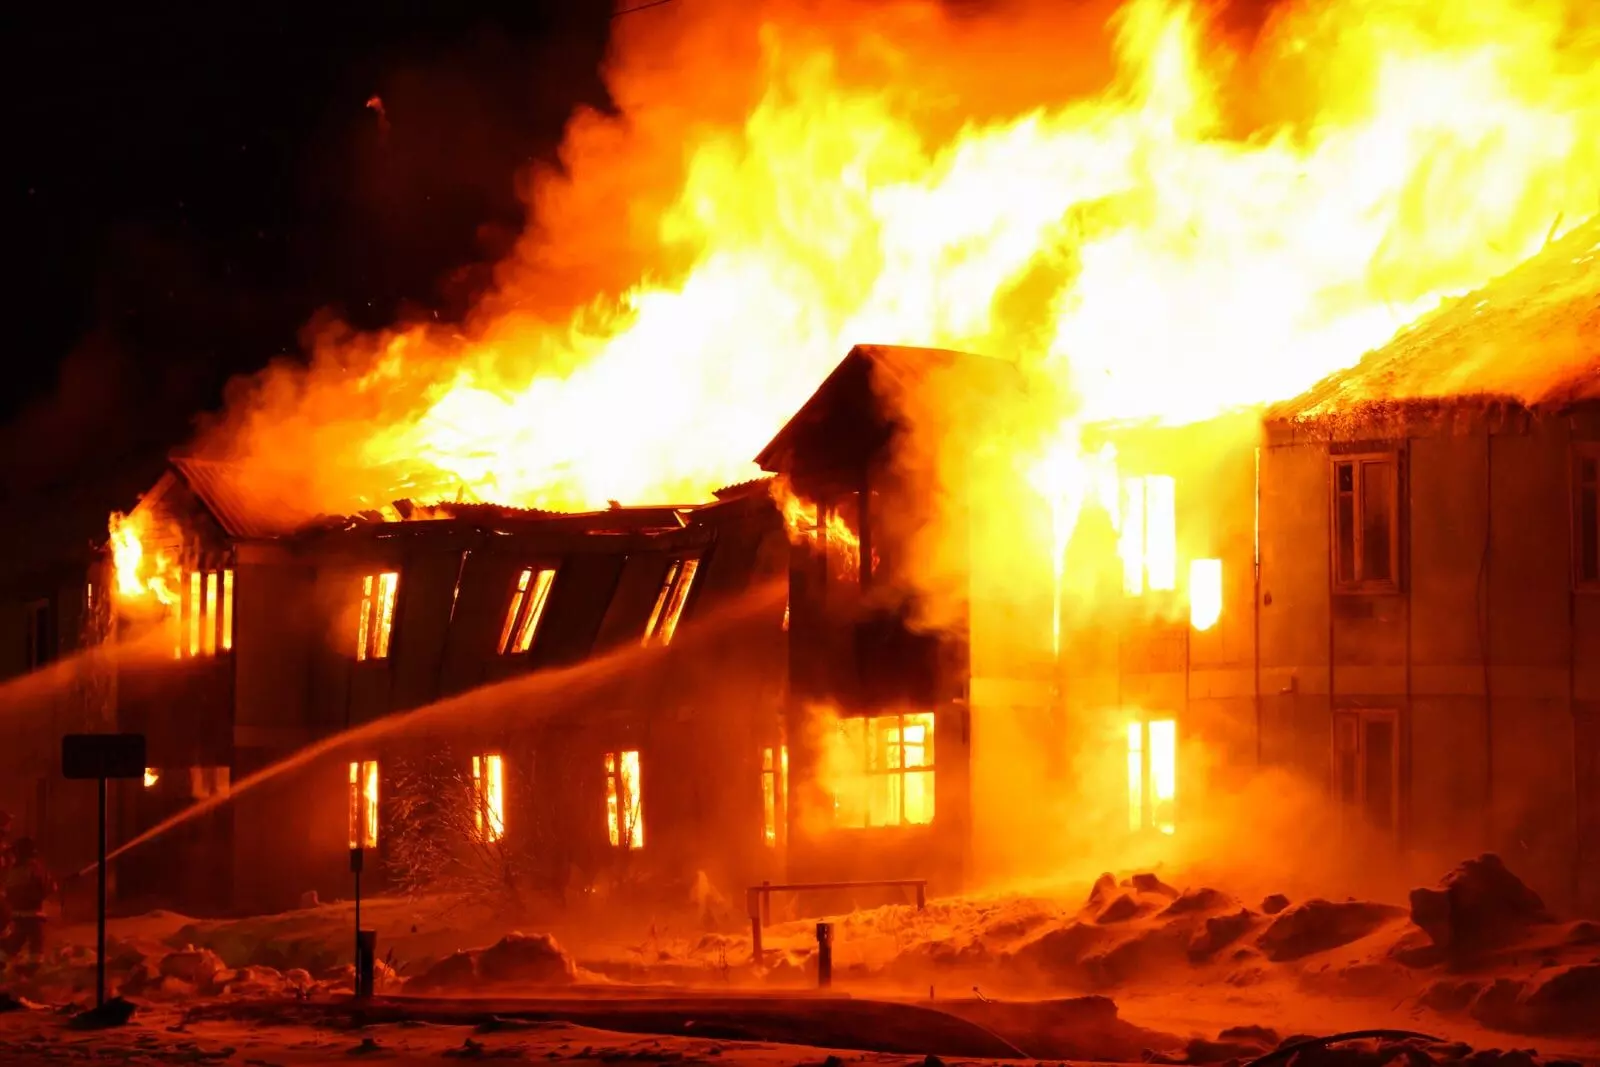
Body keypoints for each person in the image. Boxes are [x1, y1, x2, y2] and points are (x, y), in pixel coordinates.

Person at [1, 837, 57, 961]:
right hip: (33, 915)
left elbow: (9, 894)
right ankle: (33, 969)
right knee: (37, 943)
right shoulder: (35, 869)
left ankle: (3, 959)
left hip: (16, 915)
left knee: (16, 940)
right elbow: (49, 887)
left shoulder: (13, 872)